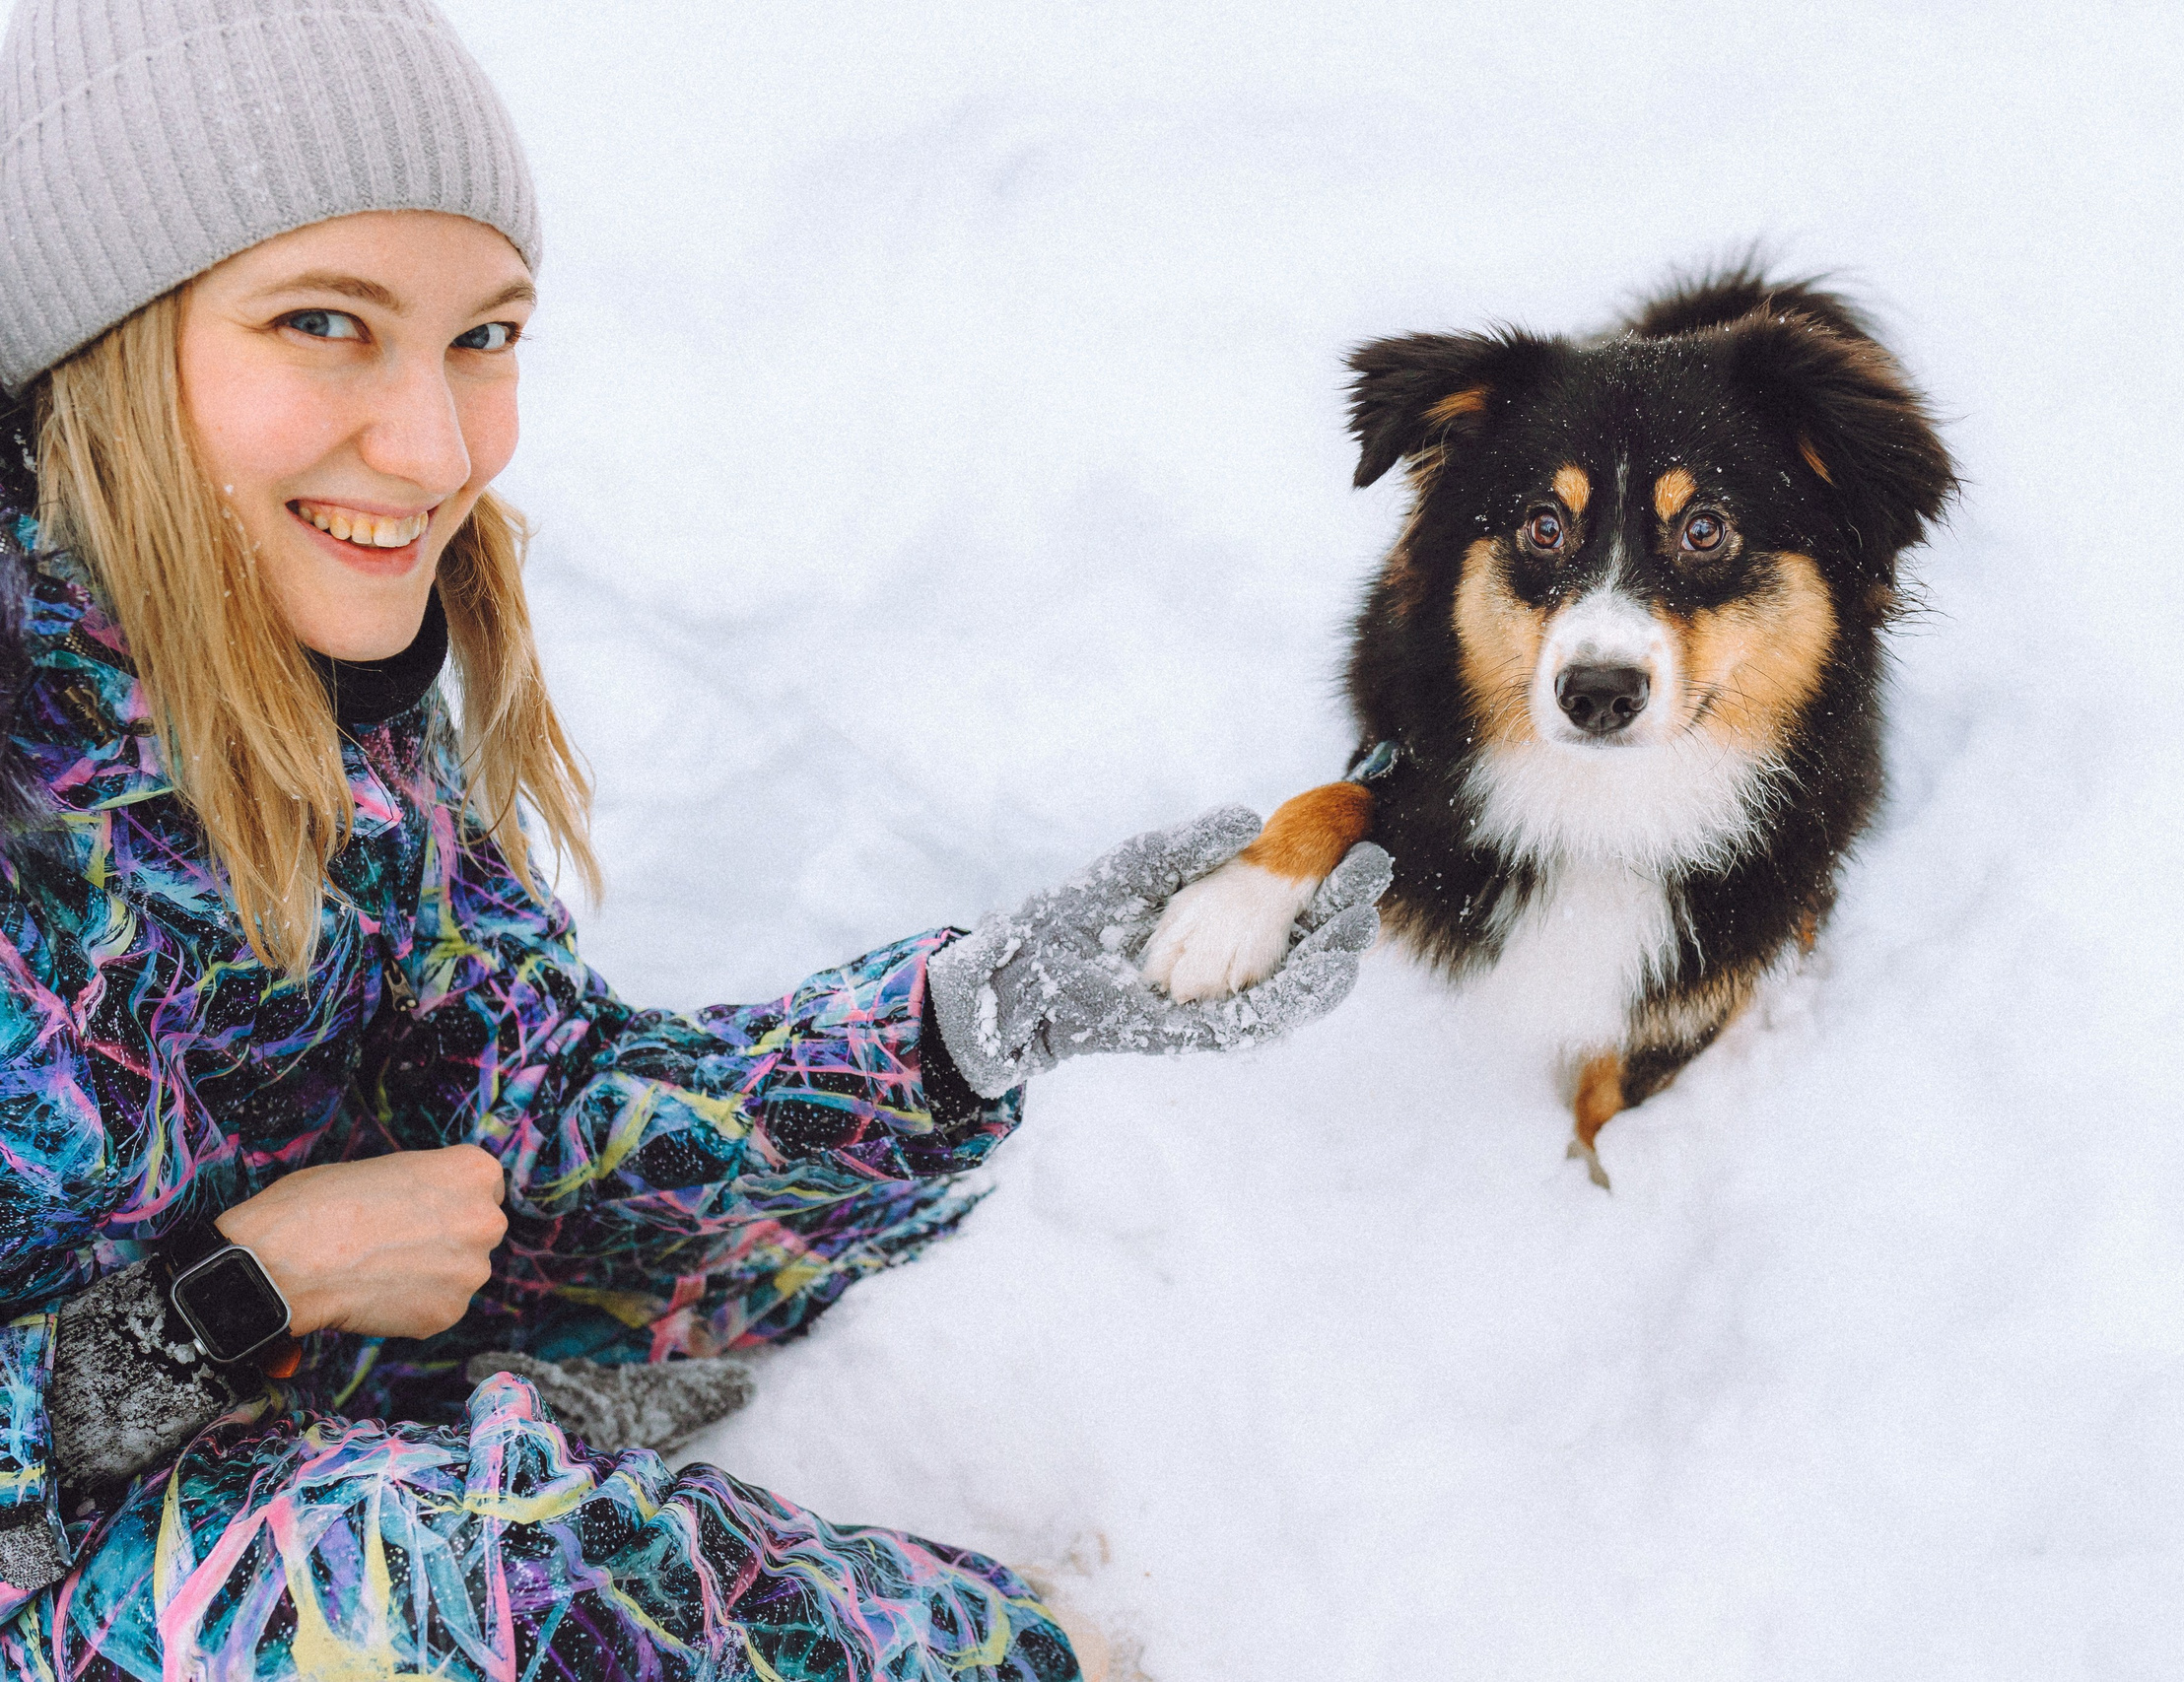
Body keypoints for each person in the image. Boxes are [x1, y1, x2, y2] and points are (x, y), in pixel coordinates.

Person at [0, 1, 1390, 1676]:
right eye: (323, 322)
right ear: (93, 344)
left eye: (485, 337)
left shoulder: (326, 675)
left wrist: (968, 1028)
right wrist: (228, 1297)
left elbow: (524, 1132)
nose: (438, 449)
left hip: (316, 1426)